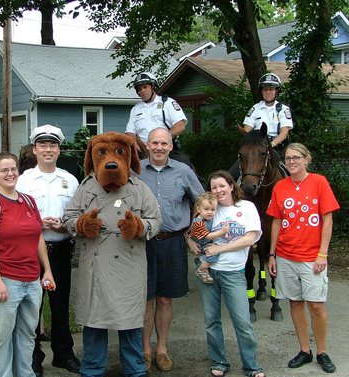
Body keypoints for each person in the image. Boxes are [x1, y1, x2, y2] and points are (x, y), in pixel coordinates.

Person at [63, 131, 162, 377]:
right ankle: (92, 370)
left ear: (129, 157)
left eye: (119, 152)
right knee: (95, 326)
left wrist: (138, 227)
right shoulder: (86, 187)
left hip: (128, 264)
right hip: (95, 265)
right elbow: (68, 218)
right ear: (93, 157)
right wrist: (81, 225)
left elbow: (156, 221)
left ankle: (135, 371)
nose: (111, 160)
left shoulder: (140, 188)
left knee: (129, 324)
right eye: (103, 153)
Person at [0, 152, 55, 377]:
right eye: (4, 170)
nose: (10, 174)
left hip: (31, 279)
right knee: (0, 340)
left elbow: (38, 237)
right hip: (3, 279)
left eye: (13, 169)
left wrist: (46, 270)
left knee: (27, 337)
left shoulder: (28, 200)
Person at [267, 143, 339, 374]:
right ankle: (304, 350)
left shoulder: (319, 182)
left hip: (312, 256)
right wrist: (272, 254)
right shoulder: (280, 186)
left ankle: (322, 351)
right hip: (286, 255)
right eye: (287, 158)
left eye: (296, 157)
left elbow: (327, 220)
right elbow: (276, 221)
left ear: (307, 159)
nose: (291, 162)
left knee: (316, 306)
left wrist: (323, 253)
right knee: (295, 302)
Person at [16, 125, 80, 376]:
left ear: (59, 149)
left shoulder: (69, 179)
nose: (48, 149)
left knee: (61, 305)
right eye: (42, 145)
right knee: (32, 306)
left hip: (61, 249)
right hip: (32, 251)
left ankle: (63, 354)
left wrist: (66, 226)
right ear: (35, 149)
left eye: (52, 145)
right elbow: (16, 216)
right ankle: (33, 358)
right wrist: (36, 223)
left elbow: (77, 215)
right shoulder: (24, 180)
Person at [189, 170, 265, 377]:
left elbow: (250, 239)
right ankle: (219, 361)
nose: (218, 190)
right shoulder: (209, 210)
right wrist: (190, 241)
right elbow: (194, 231)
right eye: (214, 187)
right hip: (210, 273)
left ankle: (251, 366)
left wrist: (219, 248)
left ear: (231, 186)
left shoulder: (246, 207)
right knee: (212, 321)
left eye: (222, 185)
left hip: (233, 273)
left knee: (242, 321)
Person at [139, 127, 203, 372]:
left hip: (172, 242)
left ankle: (162, 349)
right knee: (146, 300)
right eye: (154, 143)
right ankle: (144, 350)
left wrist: (193, 230)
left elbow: (202, 199)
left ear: (171, 146)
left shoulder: (183, 171)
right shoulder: (136, 171)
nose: (158, 147)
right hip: (142, 243)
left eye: (163, 143)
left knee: (165, 299)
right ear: (147, 144)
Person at [230, 72, 293, 180]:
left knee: (291, 171)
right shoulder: (255, 109)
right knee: (231, 175)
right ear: (261, 91)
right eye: (265, 89)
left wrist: (271, 144)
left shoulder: (283, 109)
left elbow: (284, 132)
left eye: (271, 89)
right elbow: (246, 129)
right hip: (257, 147)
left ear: (276, 91)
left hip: (276, 148)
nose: (268, 92)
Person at [126, 72, 187, 159]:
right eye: (139, 89)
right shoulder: (136, 109)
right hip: (143, 153)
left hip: (166, 150)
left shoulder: (168, 103)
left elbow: (180, 126)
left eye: (145, 87)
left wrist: (162, 140)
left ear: (153, 87)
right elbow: (130, 132)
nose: (142, 91)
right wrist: (136, 146)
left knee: (185, 167)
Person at [190, 192, 229, 284]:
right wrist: (221, 232)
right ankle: (202, 268)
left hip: (208, 241)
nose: (210, 212)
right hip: (202, 244)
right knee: (214, 252)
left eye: (213, 209)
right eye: (206, 209)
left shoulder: (208, 218)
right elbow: (208, 236)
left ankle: (203, 259)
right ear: (198, 209)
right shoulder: (198, 223)